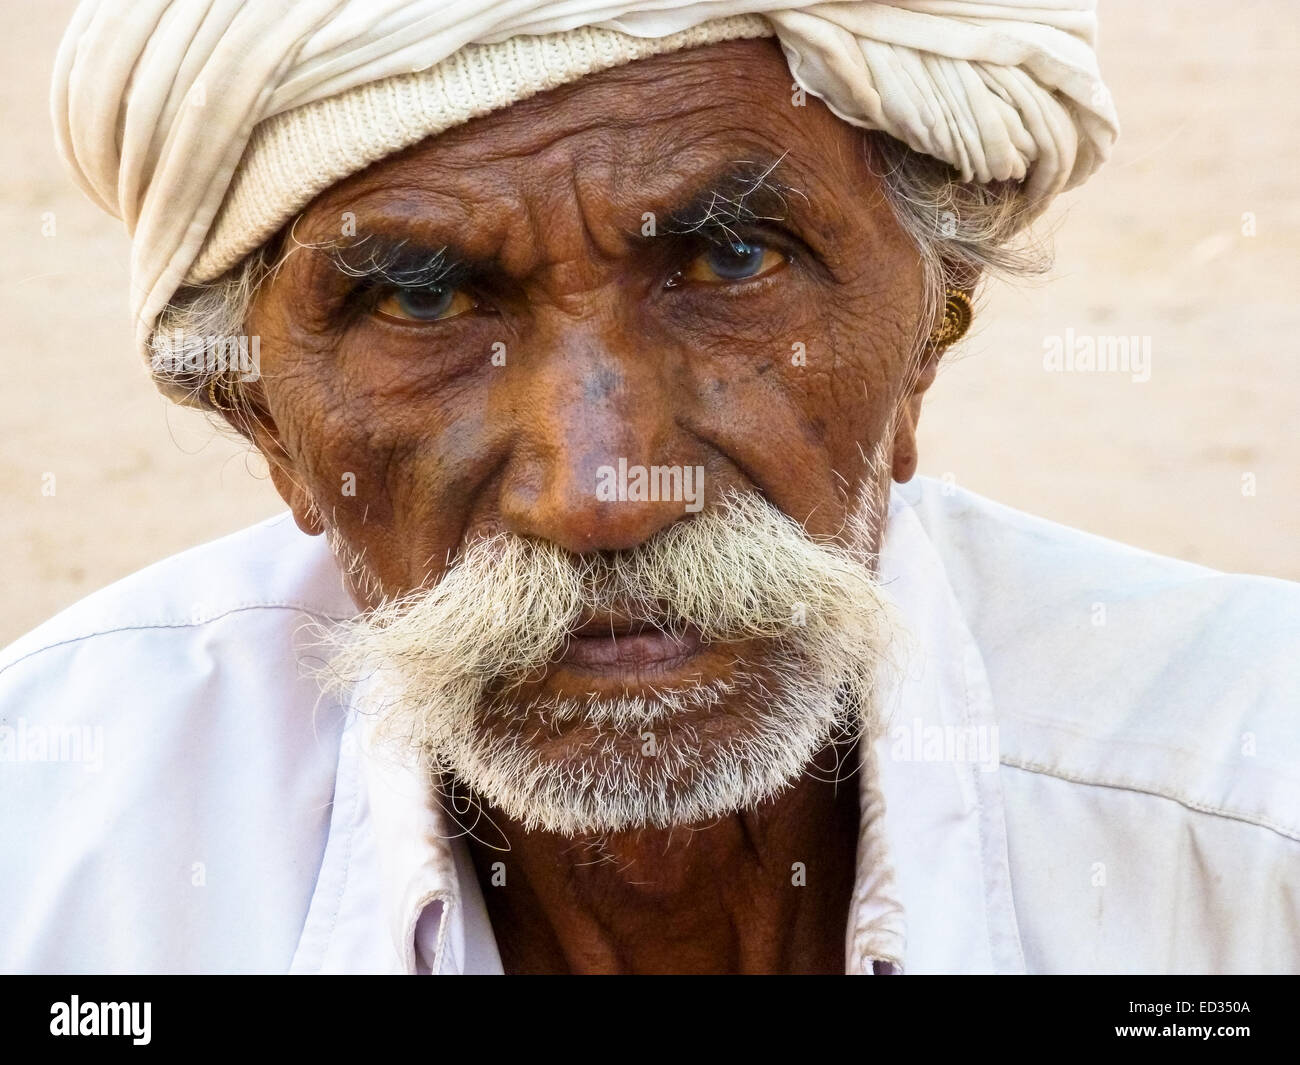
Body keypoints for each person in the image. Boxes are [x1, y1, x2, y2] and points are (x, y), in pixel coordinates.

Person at [2, 0, 1295, 974]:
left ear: (931, 332)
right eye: (421, 297)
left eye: (733, 259)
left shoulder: (1248, 832)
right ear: (263, 419)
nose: (600, 492)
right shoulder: (54, 860)